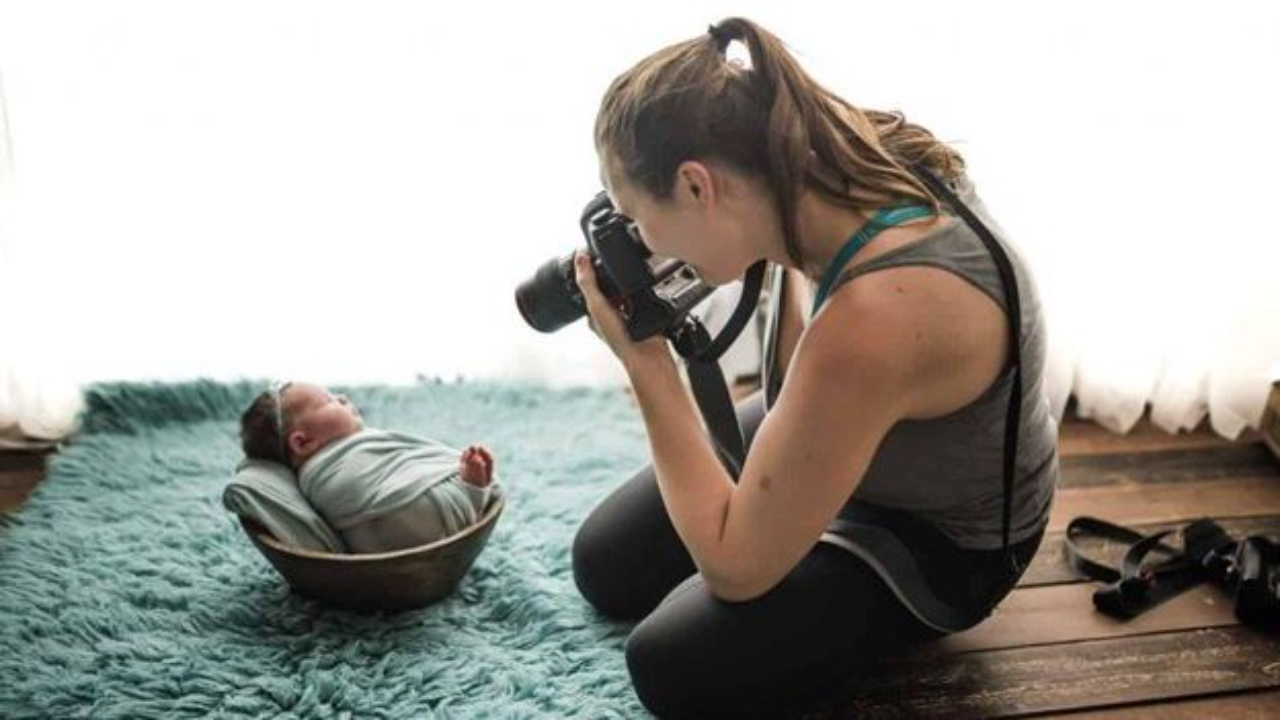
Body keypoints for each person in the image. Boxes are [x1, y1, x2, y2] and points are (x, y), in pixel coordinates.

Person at [569, 17, 1058, 719]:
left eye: (637, 220)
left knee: (671, 663)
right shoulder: (805, 157)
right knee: (605, 563)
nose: (644, 247)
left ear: (698, 185)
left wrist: (646, 362)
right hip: (863, 423)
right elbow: (801, 374)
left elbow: (736, 569)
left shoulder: (875, 317)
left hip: (951, 539)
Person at [238, 381, 497, 553]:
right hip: (412, 527)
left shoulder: (365, 448)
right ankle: (471, 492)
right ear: (303, 442)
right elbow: (353, 490)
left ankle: (468, 492)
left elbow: (404, 464)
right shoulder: (324, 475)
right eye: (328, 401)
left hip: (403, 535)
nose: (342, 397)